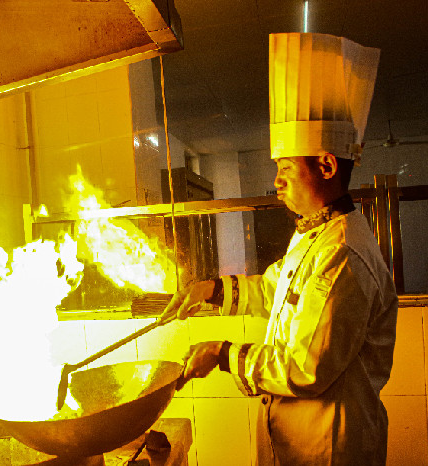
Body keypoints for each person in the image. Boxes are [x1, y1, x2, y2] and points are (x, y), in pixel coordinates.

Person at [162, 33, 398, 465]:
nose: (277, 181)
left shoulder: (343, 253)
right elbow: (277, 292)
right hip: (299, 440)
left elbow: (305, 368)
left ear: (326, 165)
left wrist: (223, 353)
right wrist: (210, 289)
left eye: (286, 167)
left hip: (328, 446)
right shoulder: (314, 234)